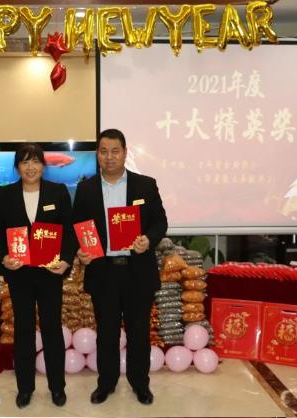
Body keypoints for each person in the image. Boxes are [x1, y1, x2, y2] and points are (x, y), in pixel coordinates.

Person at [71, 129, 168, 405]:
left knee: (139, 333)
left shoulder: (145, 185)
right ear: (97, 155)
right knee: (107, 333)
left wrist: (148, 239)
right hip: (104, 272)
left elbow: (160, 222)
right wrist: (80, 250)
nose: (109, 157)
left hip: (137, 271)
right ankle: (106, 383)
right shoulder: (86, 188)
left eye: (115, 151)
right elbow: (78, 226)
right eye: (104, 151)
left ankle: (140, 384)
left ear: (125, 153)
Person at [0, 143, 73, 408]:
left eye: (35, 161)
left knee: (51, 330)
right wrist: (3, 258)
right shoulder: (5, 194)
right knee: (23, 330)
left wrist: (66, 260)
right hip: (20, 274)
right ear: (17, 168)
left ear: (44, 166)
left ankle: (57, 387)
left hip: (49, 273)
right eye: (25, 162)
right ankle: (25, 388)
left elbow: (69, 231)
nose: (31, 167)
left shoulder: (58, 192)